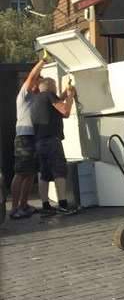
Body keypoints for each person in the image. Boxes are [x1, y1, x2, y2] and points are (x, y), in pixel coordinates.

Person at [31, 77, 76, 215]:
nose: (56, 89)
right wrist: (70, 97)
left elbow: (56, 102)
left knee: (44, 173)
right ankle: (63, 204)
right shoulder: (49, 95)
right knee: (59, 170)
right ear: (50, 86)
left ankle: (45, 205)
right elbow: (65, 111)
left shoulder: (37, 99)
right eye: (55, 86)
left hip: (39, 142)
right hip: (52, 141)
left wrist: (65, 93)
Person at [10, 59, 44, 219]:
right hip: (23, 137)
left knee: (30, 173)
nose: (39, 85)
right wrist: (42, 61)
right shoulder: (24, 94)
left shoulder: (35, 99)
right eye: (38, 82)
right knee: (21, 173)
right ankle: (14, 209)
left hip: (32, 138)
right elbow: (32, 75)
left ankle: (24, 205)